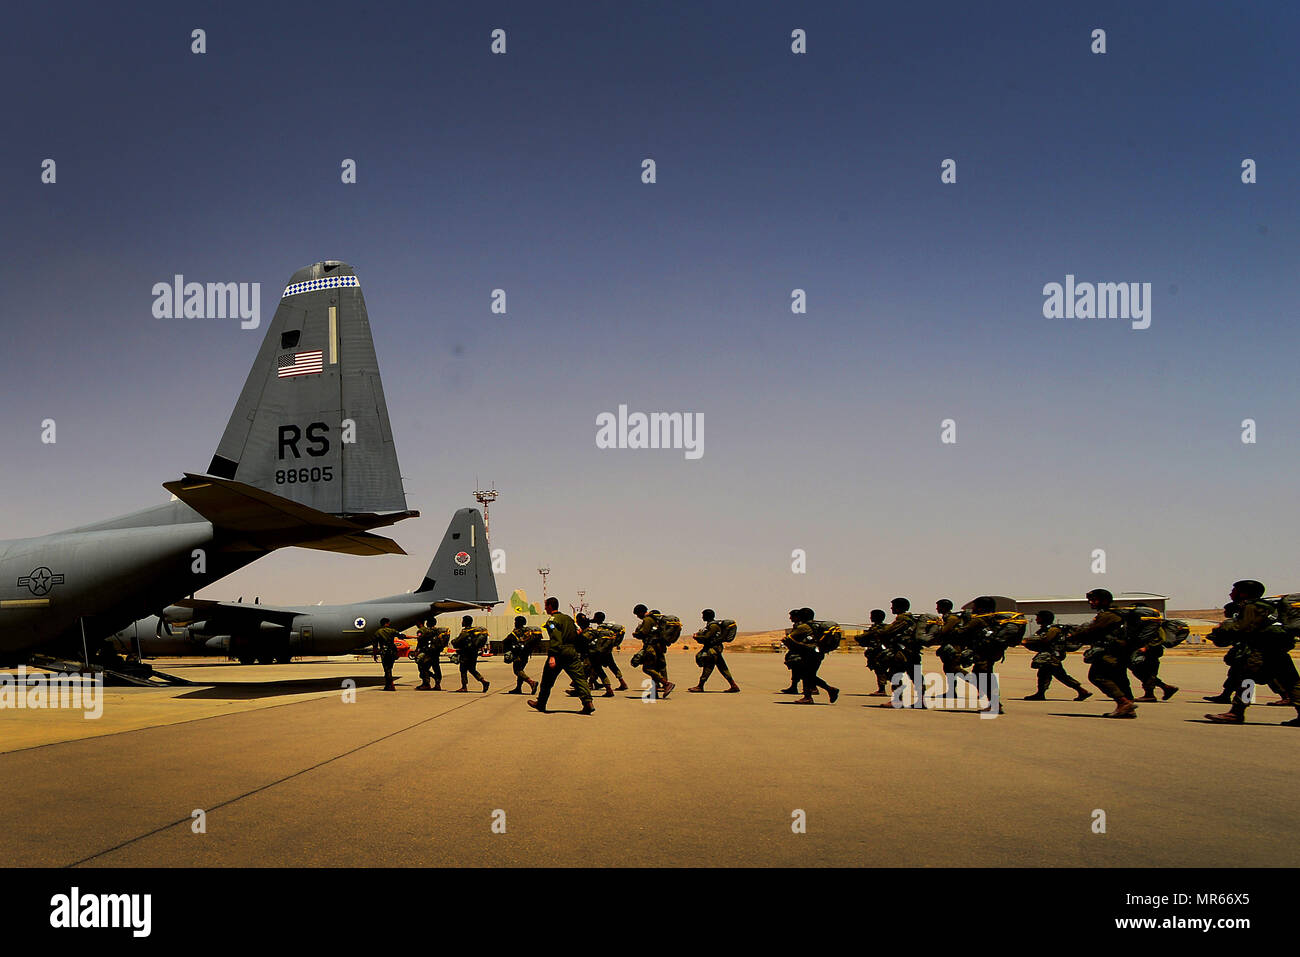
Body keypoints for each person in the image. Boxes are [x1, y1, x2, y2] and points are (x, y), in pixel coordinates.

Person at [1205, 580, 1300, 726]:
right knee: (1292, 682)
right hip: (1278, 650)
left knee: (1246, 680)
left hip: (1261, 651)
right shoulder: (1268, 607)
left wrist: (1223, 628)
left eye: (1234, 590)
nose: (1231, 593)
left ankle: (1236, 712)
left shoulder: (1251, 607)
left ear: (1243, 593)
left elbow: (1244, 628)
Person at [1072, 588, 1138, 718]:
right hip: (1121, 651)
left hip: (1110, 652)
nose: (1091, 602)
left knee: (1097, 676)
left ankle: (1123, 703)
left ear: (1104, 600)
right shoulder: (1117, 613)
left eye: (1094, 600)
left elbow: (1092, 631)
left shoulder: (1108, 615)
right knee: (1120, 679)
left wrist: (1073, 635)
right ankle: (1128, 708)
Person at [529, 597, 595, 714]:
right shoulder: (568, 619)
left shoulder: (552, 621)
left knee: (547, 680)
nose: (545, 608)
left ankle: (541, 703)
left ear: (550, 606)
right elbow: (577, 633)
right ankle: (588, 703)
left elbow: (556, 638)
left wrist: (552, 656)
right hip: (572, 652)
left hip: (559, 652)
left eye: (546, 605)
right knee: (579, 678)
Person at [1023, 610, 1090, 701]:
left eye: (1038, 617)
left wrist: (1027, 641)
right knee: (1044, 674)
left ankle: (1082, 691)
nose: (1036, 619)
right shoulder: (1045, 628)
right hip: (1048, 655)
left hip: (1052, 656)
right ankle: (1040, 693)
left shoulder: (1053, 629)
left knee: (1060, 675)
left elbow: (1045, 640)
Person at [872, 598, 924, 708]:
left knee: (894, 674)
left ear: (899, 607)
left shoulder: (902, 619)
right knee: (916, 676)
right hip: (913, 651)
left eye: (893, 606)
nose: (891, 608)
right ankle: (922, 700)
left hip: (903, 652)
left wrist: (879, 632)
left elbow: (889, 631)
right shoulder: (912, 619)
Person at [783, 608, 840, 705]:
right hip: (818, 653)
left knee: (806, 675)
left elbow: (789, 638)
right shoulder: (816, 625)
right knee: (809, 675)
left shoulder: (804, 627)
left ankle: (822, 692)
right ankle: (816, 694)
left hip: (808, 653)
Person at [688, 609, 740, 693]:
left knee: (708, 667)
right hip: (715, 650)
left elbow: (707, 638)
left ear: (707, 616)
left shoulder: (713, 626)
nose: (702, 617)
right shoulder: (711, 625)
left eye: (703, 615)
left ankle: (700, 686)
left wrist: (697, 637)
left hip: (712, 650)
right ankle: (733, 685)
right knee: (723, 668)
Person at [632, 603, 675, 698]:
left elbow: (644, 632)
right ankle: (654, 692)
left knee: (647, 668)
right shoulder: (655, 619)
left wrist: (636, 634)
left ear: (641, 612)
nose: (637, 617)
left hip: (651, 647)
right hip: (659, 646)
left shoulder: (647, 619)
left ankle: (666, 684)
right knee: (656, 668)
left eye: (637, 614)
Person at [854, 609, 892, 696]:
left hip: (878, 653)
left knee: (880, 671)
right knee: (883, 671)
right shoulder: (887, 627)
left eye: (872, 616)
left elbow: (863, 637)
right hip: (886, 652)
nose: (870, 618)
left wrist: (858, 637)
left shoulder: (876, 629)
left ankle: (882, 690)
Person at [452, 615, 490, 693]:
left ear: (465, 622)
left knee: (463, 670)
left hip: (466, 653)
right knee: (472, 669)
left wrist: (453, 641)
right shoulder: (474, 632)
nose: (461, 622)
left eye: (463, 621)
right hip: (474, 653)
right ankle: (483, 681)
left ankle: (464, 687)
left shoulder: (465, 632)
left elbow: (457, 641)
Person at [502, 616, 540, 695]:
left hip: (518, 655)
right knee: (521, 670)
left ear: (518, 623)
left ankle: (531, 682)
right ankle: (518, 688)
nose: (514, 623)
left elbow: (506, 641)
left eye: (515, 621)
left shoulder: (516, 632)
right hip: (526, 654)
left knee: (517, 671)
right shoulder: (527, 631)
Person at [591, 611, 629, 692]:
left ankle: (592, 683)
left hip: (601, 651)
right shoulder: (608, 626)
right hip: (608, 650)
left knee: (596, 666)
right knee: (613, 666)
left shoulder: (600, 628)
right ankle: (622, 682)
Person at [414, 617, 449, 691]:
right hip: (436, 652)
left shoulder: (425, 631)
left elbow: (420, 642)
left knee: (423, 667)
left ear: (427, 623)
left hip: (428, 653)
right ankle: (437, 684)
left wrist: (417, 651)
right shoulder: (438, 631)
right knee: (436, 668)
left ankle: (426, 683)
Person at [371, 618, 401, 692]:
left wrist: (375, 655)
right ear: (387, 623)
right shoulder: (392, 630)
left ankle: (390, 685)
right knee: (389, 668)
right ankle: (388, 685)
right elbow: (401, 635)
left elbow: (375, 645)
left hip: (384, 652)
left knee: (387, 669)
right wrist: (414, 637)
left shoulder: (378, 632)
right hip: (393, 652)